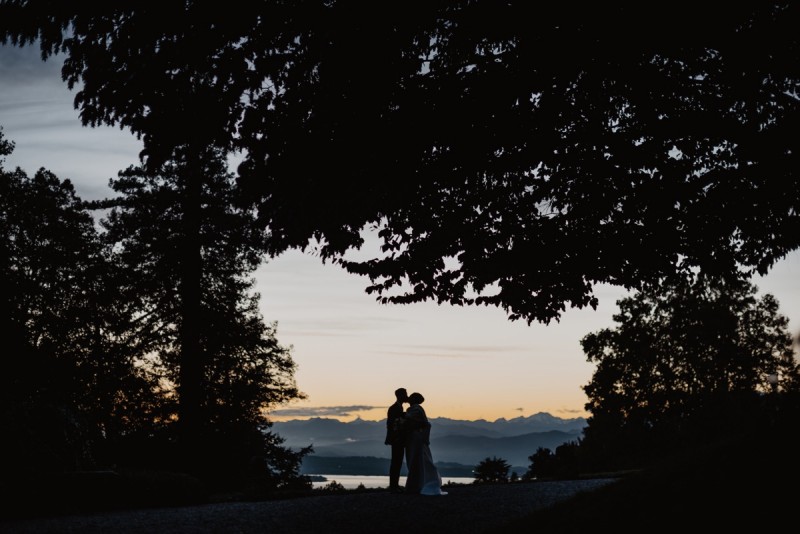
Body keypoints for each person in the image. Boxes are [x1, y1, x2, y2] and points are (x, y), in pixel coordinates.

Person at [403, 392, 447, 495]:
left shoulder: (416, 409)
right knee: (417, 460)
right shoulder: (416, 409)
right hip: (414, 438)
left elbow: (411, 420)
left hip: (416, 438)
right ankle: (417, 484)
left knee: (418, 460)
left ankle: (419, 484)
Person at [385, 387, 409, 493]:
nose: (406, 396)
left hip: (398, 439)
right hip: (396, 439)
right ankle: (393, 486)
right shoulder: (394, 408)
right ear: (400, 396)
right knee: (396, 462)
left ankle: (395, 485)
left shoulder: (398, 408)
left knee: (398, 462)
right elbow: (391, 424)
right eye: (405, 394)